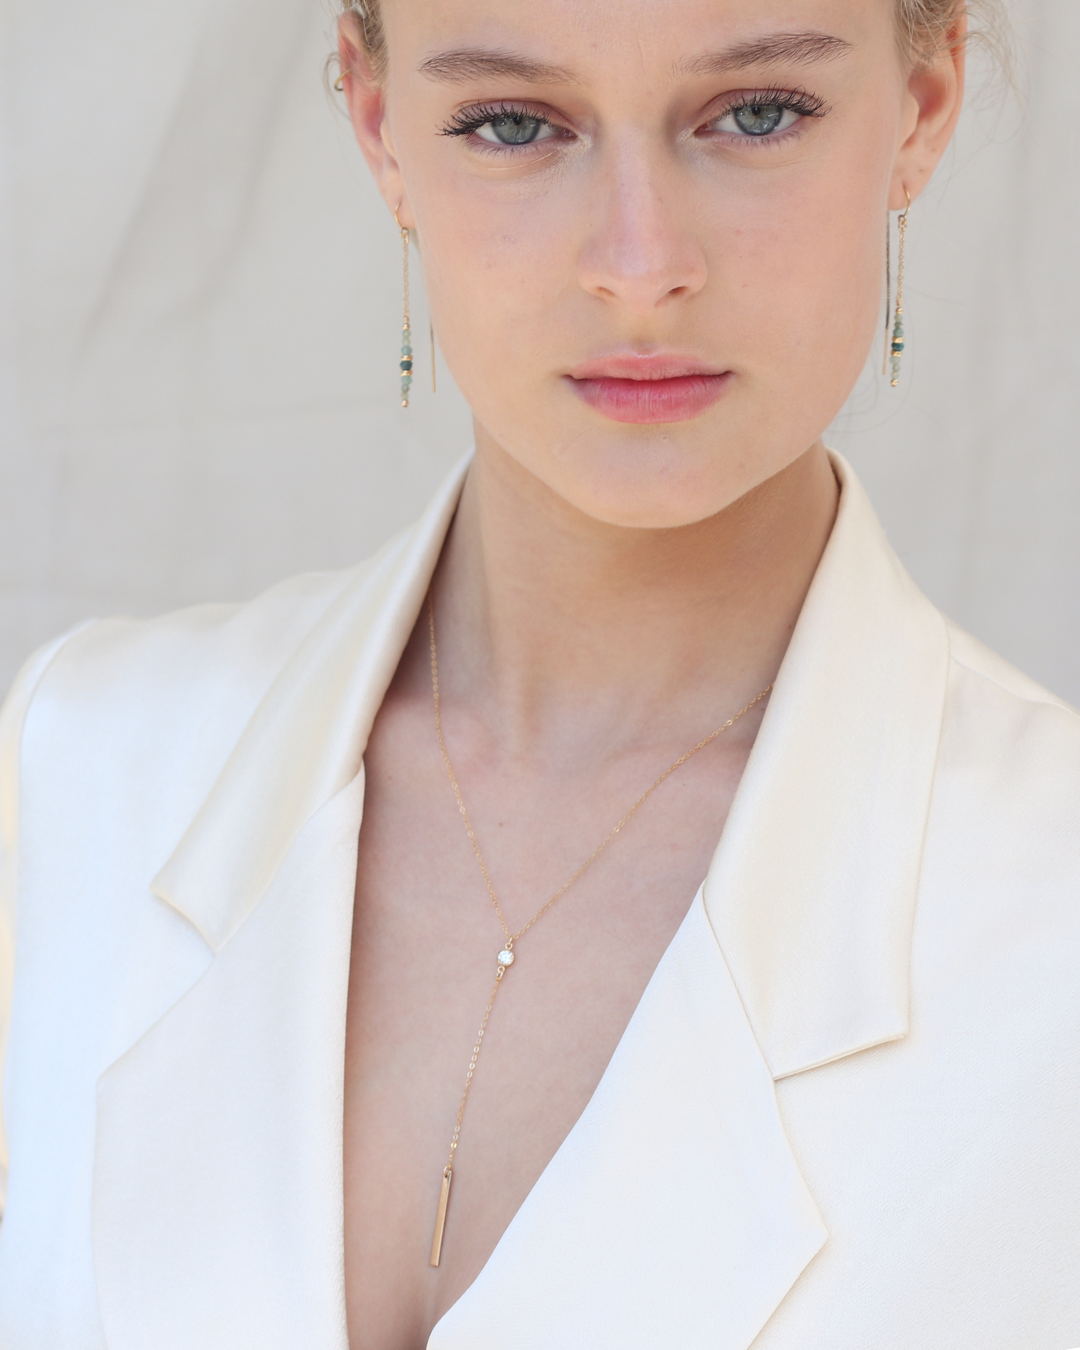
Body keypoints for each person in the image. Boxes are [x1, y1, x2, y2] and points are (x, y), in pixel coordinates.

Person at [1, 0, 1078, 1346]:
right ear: (381, 130)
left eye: (756, 115)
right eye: (513, 123)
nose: (641, 265)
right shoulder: (71, 768)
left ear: (920, 109)